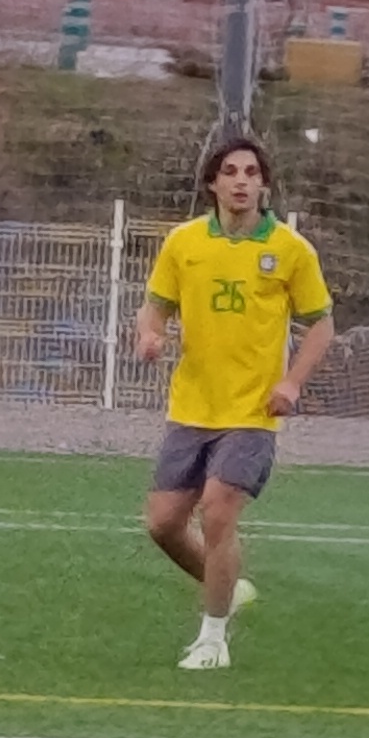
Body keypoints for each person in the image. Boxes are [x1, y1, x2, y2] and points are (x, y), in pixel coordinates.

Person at [132, 132, 333, 671]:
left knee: (218, 510)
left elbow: (321, 325)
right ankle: (229, 586)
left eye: (251, 173)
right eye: (231, 172)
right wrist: (149, 334)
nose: (241, 181)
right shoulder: (184, 243)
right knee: (163, 524)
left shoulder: (290, 249)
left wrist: (291, 383)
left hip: (253, 412)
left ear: (264, 185)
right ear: (212, 184)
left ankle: (213, 640)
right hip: (191, 407)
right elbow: (156, 306)